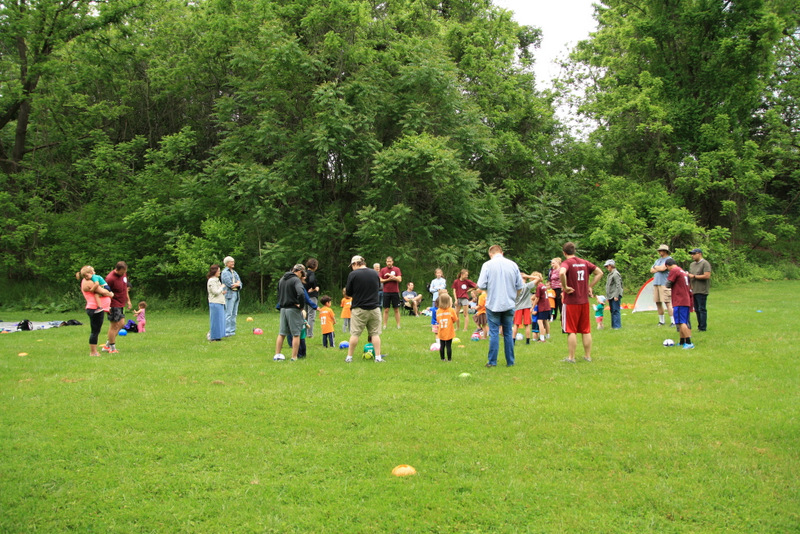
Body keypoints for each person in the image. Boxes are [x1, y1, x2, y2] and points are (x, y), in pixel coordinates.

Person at [476, 245, 525, 368]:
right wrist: (514, 298)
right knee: (508, 332)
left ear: (490, 254)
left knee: (494, 333)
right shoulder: (513, 265)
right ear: (501, 252)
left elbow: (481, 285)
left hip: (493, 303)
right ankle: (510, 361)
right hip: (509, 303)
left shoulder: (487, 265)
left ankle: (492, 362)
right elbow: (520, 286)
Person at [559, 242, 603, 363]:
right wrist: (590, 286)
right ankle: (587, 356)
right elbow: (600, 272)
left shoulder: (566, 263)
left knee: (571, 330)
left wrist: (565, 286)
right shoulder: (584, 262)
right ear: (574, 251)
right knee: (585, 329)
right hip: (584, 301)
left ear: (564, 252)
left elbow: (562, 272)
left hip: (571, 301)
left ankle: (571, 357)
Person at [345, 255, 383, 362]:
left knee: (355, 334)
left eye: (352, 265)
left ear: (355, 264)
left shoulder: (353, 274)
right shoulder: (375, 273)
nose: (352, 268)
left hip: (359, 308)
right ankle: (378, 357)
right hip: (374, 308)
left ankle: (349, 357)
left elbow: (348, 292)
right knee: (375, 334)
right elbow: (379, 287)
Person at [274, 264, 307, 361]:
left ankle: (277, 355)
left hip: (283, 308)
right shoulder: (296, 280)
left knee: (282, 333)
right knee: (296, 334)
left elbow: (278, 293)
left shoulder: (282, 279)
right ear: (300, 271)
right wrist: (301, 306)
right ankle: (294, 357)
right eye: (303, 274)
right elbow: (301, 293)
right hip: (293, 309)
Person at [78, 266, 113, 357]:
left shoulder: (88, 280)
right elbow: (103, 292)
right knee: (95, 331)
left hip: (96, 308)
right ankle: (93, 352)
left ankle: (94, 351)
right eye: (92, 271)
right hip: (94, 309)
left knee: (96, 330)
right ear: (88, 274)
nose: (94, 272)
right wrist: (110, 294)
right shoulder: (89, 282)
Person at [101, 261, 133, 354]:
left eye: (125, 272)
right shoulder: (110, 278)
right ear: (117, 269)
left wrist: (128, 300)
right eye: (122, 272)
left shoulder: (123, 275)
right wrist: (107, 305)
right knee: (114, 325)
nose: (124, 274)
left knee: (122, 324)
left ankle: (107, 345)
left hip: (121, 303)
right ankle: (112, 348)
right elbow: (104, 292)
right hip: (113, 304)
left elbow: (125, 288)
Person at [666, 258, 695, 349]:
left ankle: (689, 342)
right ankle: (682, 341)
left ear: (667, 266)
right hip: (685, 299)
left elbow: (668, 284)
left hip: (679, 299)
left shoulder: (674, 270)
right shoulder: (682, 271)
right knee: (680, 321)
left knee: (682, 322)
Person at [688, 248, 711, 331]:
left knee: (702, 309)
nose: (692, 256)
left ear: (700, 254)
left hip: (702, 290)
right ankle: (699, 326)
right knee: (697, 309)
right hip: (694, 290)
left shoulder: (705, 263)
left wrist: (694, 276)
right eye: (691, 254)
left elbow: (707, 275)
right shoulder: (692, 264)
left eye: (694, 254)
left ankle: (703, 327)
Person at [650, 245, 674, 326]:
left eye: (661, 250)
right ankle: (661, 321)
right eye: (659, 250)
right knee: (658, 302)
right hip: (656, 283)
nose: (659, 252)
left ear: (665, 251)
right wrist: (657, 268)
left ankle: (673, 321)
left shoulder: (669, 260)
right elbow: (651, 270)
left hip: (664, 284)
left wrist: (656, 268)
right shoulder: (658, 260)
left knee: (668, 302)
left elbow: (663, 269)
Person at [512, 273, 537, 344]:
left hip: (518, 307)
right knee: (527, 324)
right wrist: (528, 276)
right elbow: (538, 279)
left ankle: (513, 340)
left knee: (516, 324)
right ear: (525, 278)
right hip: (526, 307)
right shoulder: (527, 286)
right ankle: (528, 341)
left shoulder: (515, 287)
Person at [221, 256, 242, 337]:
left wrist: (238, 284)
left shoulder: (234, 272)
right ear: (226, 263)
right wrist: (237, 284)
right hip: (229, 295)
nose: (233, 263)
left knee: (234, 313)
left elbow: (240, 283)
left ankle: (232, 331)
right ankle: (226, 331)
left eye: (233, 261)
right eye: (231, 262)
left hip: (236, 294)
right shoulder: (225, 272)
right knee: (228, 313)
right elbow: (230, 284)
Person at [380, 256, 403, 329]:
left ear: (392, 262)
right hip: (386, 292)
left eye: (390, 261)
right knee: (386, 309)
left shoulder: (397, 269)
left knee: (396, 309)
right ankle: (384, 325)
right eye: (387, 261)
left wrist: (392, 277)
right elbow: (380, 280)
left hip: (395, 291)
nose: (389, 263)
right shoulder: (383, 270)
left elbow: (399, 279)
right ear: (386, 262)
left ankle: (398, 325)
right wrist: (388, 279)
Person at [435, 293, 458, 361]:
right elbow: (455, 319)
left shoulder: (438, 311)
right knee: (448, 346)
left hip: (441, 330)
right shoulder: (451, 310)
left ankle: (442, 358)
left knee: (442, 345)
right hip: (449, 331)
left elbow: (438, 320)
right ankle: (449, 359)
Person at [207, 264, 226, 341]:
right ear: (214, 271)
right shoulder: (211, 281)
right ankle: (213, 336)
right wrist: (221, 287)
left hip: (220, 302)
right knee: (215, 320)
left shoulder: (216, 280)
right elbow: (215, 292)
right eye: (218, 271)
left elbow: (218, 291)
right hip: (215, 303)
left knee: (219, 320)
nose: (219, 272)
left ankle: (218, 336)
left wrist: (222, 292)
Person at [531, 272, 551, 342]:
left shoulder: (539, 287)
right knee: (545, 321)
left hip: (542, 307)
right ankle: (548, 335)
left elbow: (537, 298)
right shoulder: (543, 285)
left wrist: (532, 307)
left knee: (540, 321)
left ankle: (542, 338)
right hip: (547, 306)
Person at [304, 258, 320, 338]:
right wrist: (314, 288)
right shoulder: (311, 274)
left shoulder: (303, 273)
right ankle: (309, 334)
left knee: (304, 315)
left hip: (303, 295)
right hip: (311, 296)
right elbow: (311, 280)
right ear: (315, 266)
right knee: (311, 315)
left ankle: (304, 332)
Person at [604, 259, 623, 329]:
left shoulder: (616, 274)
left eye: (607, 266)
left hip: (615, 295)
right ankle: (613, 326)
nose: (606, 268)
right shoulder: (610, 274)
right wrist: (608, 296)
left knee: (615, 310)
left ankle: (617, 326)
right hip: (611, 295)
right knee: (612, 310)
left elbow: (618, 285)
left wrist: (616, 295)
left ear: (611, 266)